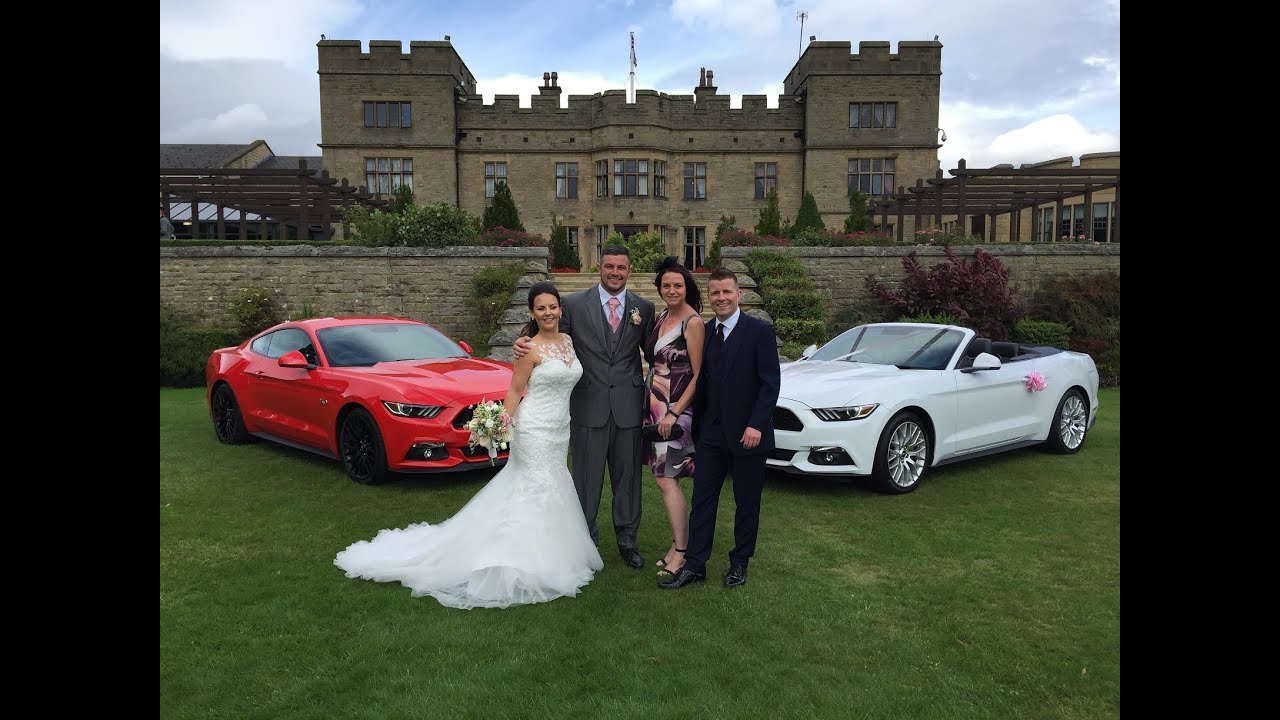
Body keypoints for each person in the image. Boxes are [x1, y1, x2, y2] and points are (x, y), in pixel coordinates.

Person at [334, 282, 603, 608]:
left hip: (561, 428)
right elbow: (515, 391)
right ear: (532, 313)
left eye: (552, 307)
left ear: (561, 309)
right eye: (541, 308)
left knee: (553, 483)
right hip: (533, 428)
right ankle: (520, 559)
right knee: (534, 487)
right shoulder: (528, 348)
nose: (548, 313)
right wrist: (501, 423)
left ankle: (556, 550)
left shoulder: (568, 342)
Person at [513, 245, 656, 569]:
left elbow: (653, 352)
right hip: (587, 406)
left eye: (621, 267)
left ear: (629, 270)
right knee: (585, 482)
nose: (615, 272)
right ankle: (584, 542)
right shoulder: (575, 305)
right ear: (599, 267)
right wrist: (522, 341)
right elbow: (547, 334)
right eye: (609, 266)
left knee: (629, 482)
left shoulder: (644, 308)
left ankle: (628, 542)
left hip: (628, 408)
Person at [659, 268, 780, 590]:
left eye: (727, 292)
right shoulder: (705, 332)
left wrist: (756, 424)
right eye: (715, 293)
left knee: (746, 503)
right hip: (711, 434)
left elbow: (770, 385)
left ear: (738, 294)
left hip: (748, 436)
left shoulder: (759, 332)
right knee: (703, 501)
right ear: (709, 297)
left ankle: (739, 563)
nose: (721, 298)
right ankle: (695, 564)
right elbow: (699, 379)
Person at [644, 256, 705, 578]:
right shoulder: (663, 317)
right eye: (666, 285)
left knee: (667, 478)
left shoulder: (691, 323)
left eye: (677, 285)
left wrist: (674, 412)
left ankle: (682, 552)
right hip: (656, 404)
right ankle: (675, 544)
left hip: (678, 408)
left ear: (687, 287)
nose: (671, 290)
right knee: (664, 477)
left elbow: (698, 375)